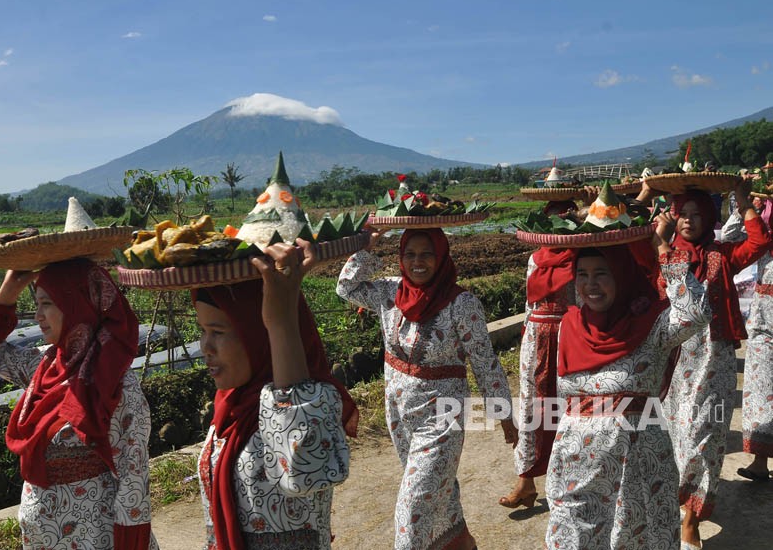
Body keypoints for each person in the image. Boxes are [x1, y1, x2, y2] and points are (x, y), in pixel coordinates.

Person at [336, 227, 517, 550]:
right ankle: (459, 542)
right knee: (437, 490)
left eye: (427, 254)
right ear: (401, 258)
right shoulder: (389, 292)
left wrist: (503, 414)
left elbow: (484, 361)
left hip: (443, 416)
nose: (418, 262)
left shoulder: (462, 304)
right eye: (410, 254)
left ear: (442, 256)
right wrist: (368, 246)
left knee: (414, 505)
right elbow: (345, 287)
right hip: (400, 412)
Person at [546, 218, 712, 550]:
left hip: (636, 467)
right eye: (582, 275)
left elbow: (696, 311)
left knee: (633, 539)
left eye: (601, 273)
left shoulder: (652, 325)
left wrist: (659, 246)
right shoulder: (569, 325)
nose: (590, 284)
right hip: (575, 463)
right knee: (569, 540)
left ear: (622, 274)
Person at [0, 258, 157, 549]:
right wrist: (8, 291)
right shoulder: (44, 366)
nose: (37, 316)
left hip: (95, 535)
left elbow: (134, 480)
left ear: (77, 305)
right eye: (37, 303)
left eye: (47, 303)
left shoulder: (115, 385)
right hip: (43, 534)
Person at [193, 239, 357, 550]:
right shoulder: (229, 409)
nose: (205, 347)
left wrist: (282, 323)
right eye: (202, 330)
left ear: (258, 334)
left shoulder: (314, 403)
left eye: (218, 332)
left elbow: (303, 470)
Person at [659, 182, 772, 548]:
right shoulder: (663, 255)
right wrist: (657, 238)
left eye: (696, 215)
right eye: (682, 215)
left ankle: (692, 515)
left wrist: (743, 202)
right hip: (674, 361)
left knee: (705, 435)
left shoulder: (721, 255)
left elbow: (758, 243)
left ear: (708, 218)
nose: (688, 221)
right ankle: (679, 494)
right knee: (676, 433)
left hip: (714, 358)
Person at [500, 200, 577, 509]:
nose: (558, 220)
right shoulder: (535, 259)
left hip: (572, 336)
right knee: (533, 408)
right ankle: (526, 481)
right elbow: (529, 306)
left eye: (565, 215)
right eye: (552, 216)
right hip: (536, 338)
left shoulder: (582, 258)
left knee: (571, 407)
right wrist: (526, 335)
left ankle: (570, 478)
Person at [720, 193, 773, 483]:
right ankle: (759, 462)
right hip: (764, 320)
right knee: (760, 390)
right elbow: (728, 237)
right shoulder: (765, 237)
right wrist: (746, 207)